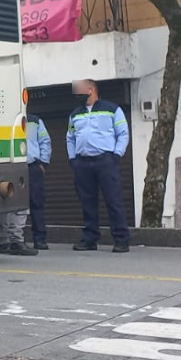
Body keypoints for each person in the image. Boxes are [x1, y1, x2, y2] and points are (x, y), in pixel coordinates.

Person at [66, 79, 130, 253]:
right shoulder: (75, 114)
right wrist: (73, 159)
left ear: (90, 89)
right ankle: (90, 239)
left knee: (113, 201)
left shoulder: (112, 109)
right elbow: (70, 138)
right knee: (87, 202)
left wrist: (116, 155)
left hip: (105, 161)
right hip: (83, 163)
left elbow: (123, 134)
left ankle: (121, 240)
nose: (76, 94)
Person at [27, 113, 52, 250]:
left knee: (36, 203)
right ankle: (12, 239)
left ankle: (40, 239)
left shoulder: (34, 121)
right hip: (12, 166)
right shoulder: (5, 119)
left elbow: (45, 141)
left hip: (32, 167)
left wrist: (43, 163)